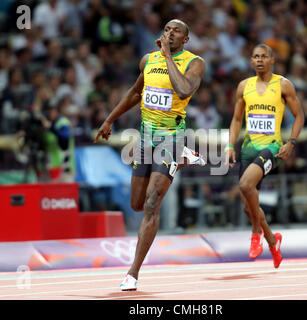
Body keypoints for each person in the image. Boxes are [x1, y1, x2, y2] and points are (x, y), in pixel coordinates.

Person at [94, 19, 206, 291]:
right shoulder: (148, 60)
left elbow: (183, 90)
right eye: (166, 29)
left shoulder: (194, 62)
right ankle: (185, 157)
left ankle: (132, 272)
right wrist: (110, 119)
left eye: (176, 31)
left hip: (172, 136)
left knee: (153, 203)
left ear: (186, 39)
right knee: (137, 204)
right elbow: (135, 92)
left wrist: (168, 56)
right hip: (146, 136)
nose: (169, 33)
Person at [225, 44, 304, 268]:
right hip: (249, 148)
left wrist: (291, 143)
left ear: (272, 60)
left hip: (272, 147)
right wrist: (231, 144)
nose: (259, 60)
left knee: (244, 185)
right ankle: (272, 240)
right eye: (255, 57)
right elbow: (237, 119)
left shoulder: (283, 85)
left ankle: (255, 235)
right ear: (251, 61)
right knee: (247, 207)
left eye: (264, 57)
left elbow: (299, 116)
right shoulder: (244, 86)